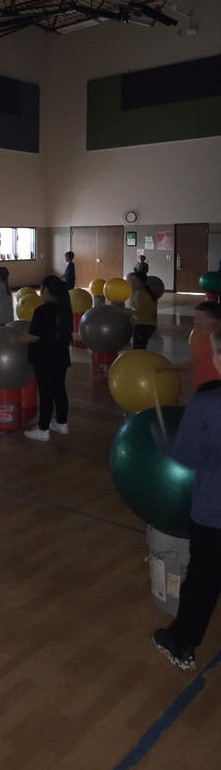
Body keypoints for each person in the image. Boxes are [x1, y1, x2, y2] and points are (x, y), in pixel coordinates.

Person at [153, 329, 221, 671]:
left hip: (214, 513)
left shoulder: (207, 404)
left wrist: (164, 442)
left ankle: (181, 643)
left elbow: (187, 456)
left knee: (203, 580)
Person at [14, 274, 72, 441]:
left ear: (46, 291)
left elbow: (35, 336)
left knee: (46, 393)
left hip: (45, 358)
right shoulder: (65, 309)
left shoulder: (42, 310)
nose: (40, 293)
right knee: (60, 390)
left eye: (41, 289)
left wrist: (16, 339)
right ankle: (62, 424)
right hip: (61, 356)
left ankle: (43, 429)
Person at [127, 272, 157, 350]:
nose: (133, 283)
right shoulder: (138, 292)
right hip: (144, 324)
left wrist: (125, 310)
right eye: (131, 281)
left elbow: (140, 312)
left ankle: (139, 361)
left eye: (136, 281)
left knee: (138, 349)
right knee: (139, 348)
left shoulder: (142, 294)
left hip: (144, 325)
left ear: (142, 282)